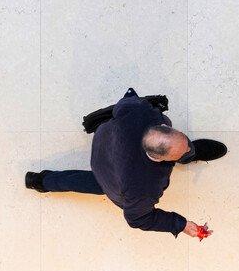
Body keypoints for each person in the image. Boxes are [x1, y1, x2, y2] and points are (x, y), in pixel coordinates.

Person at [25, 88, 225, 238]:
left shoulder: (142, 113)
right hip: (111, 179)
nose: (188, 146)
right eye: (185, 150)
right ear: (158, 159)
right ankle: (42, 182)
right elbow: (138, 219)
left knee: (74, 180)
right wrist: (179, 224)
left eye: (186, 143)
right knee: (93, 183)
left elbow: (125, 102)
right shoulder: (142, 188)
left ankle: (40, 181)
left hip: (102, 147)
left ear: (161, 126)